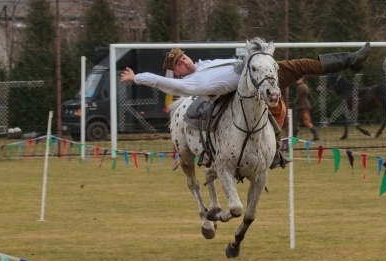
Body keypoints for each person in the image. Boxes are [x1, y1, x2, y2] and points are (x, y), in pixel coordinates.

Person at [120, 43, 370, 168]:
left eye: (183, 57)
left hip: (257, 72)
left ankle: (351, 60)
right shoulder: (191, 84)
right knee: (269, 108)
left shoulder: (207, 63)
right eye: (179, 63)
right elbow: (163, 83)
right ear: (176, 71)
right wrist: (137, 78)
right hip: (248, 89)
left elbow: (235, 62)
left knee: (303, 64)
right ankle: (271, 152)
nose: (184, 61)